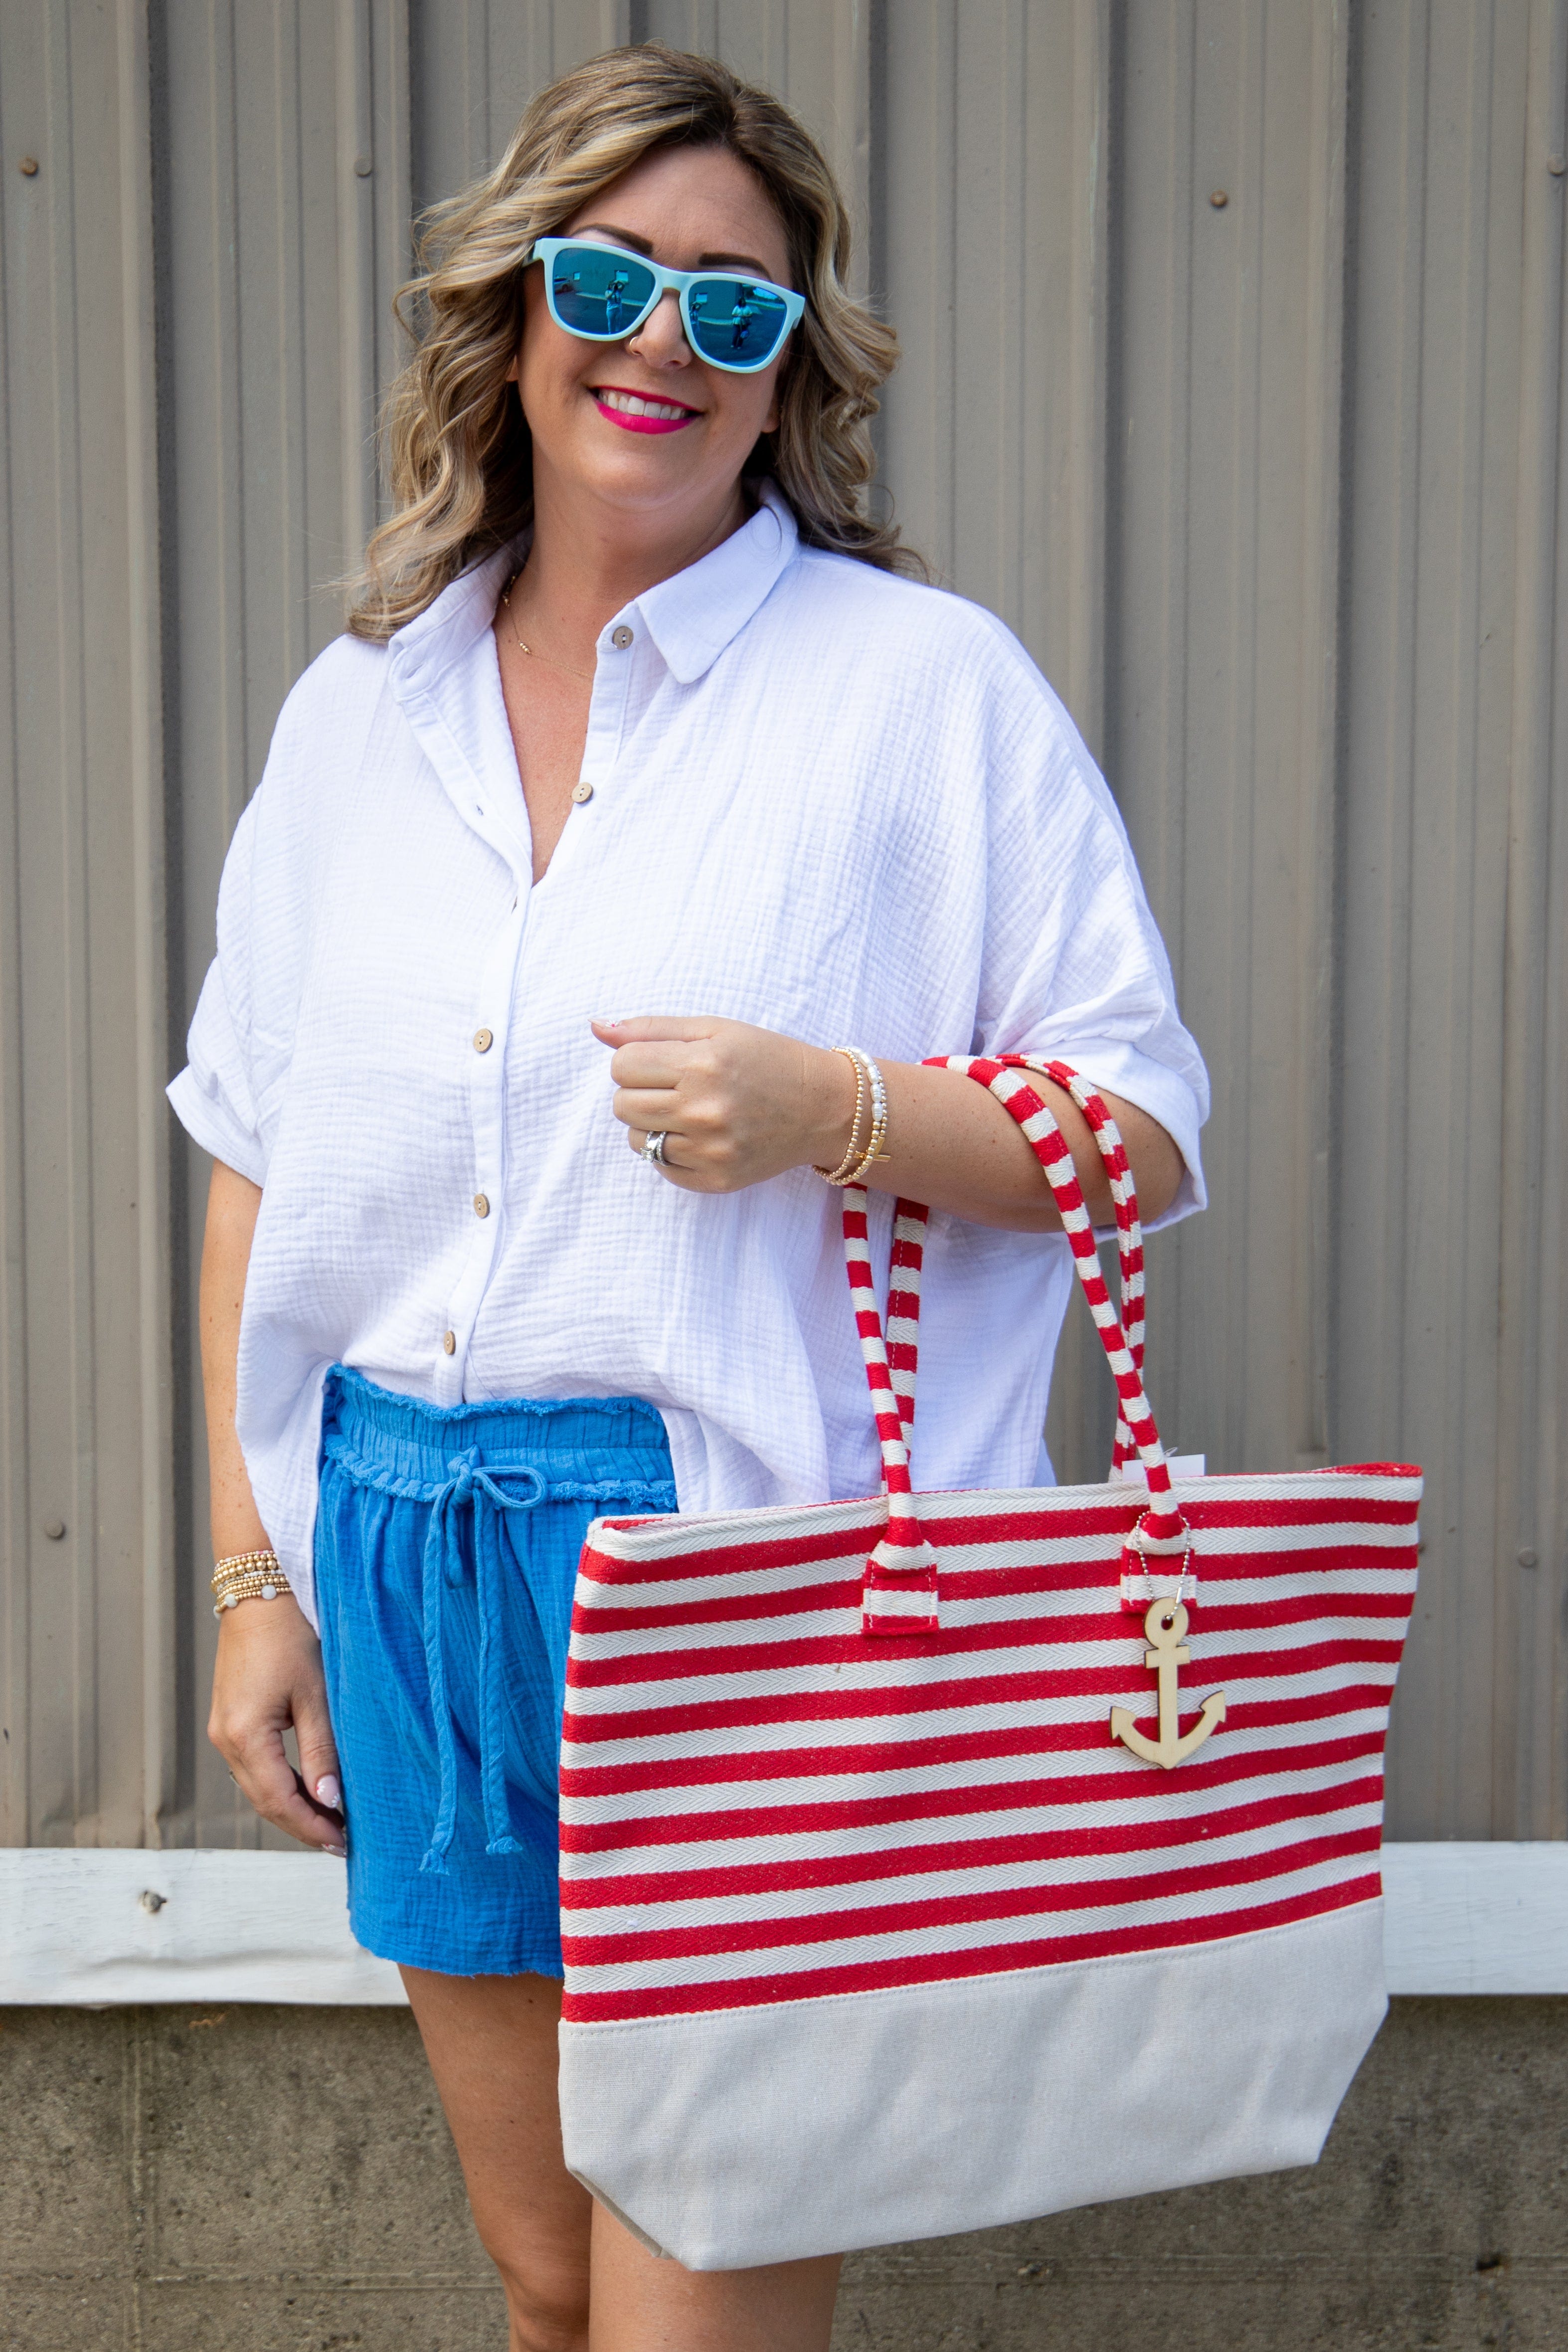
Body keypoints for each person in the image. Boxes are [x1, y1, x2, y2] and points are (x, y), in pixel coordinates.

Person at [174, 41, 1208, 2352]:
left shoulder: (918, 694)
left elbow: (1133, 1127)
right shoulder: (363, 711)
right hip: (413, 1539)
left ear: (787, 381)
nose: (660, 338)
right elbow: (257, 1154)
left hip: (739, 1572)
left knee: (699, 2296)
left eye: (730, 306)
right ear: (510, 313)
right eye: (609, 275)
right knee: (549, 2278)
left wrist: (835, 1107)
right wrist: (259, 1581)